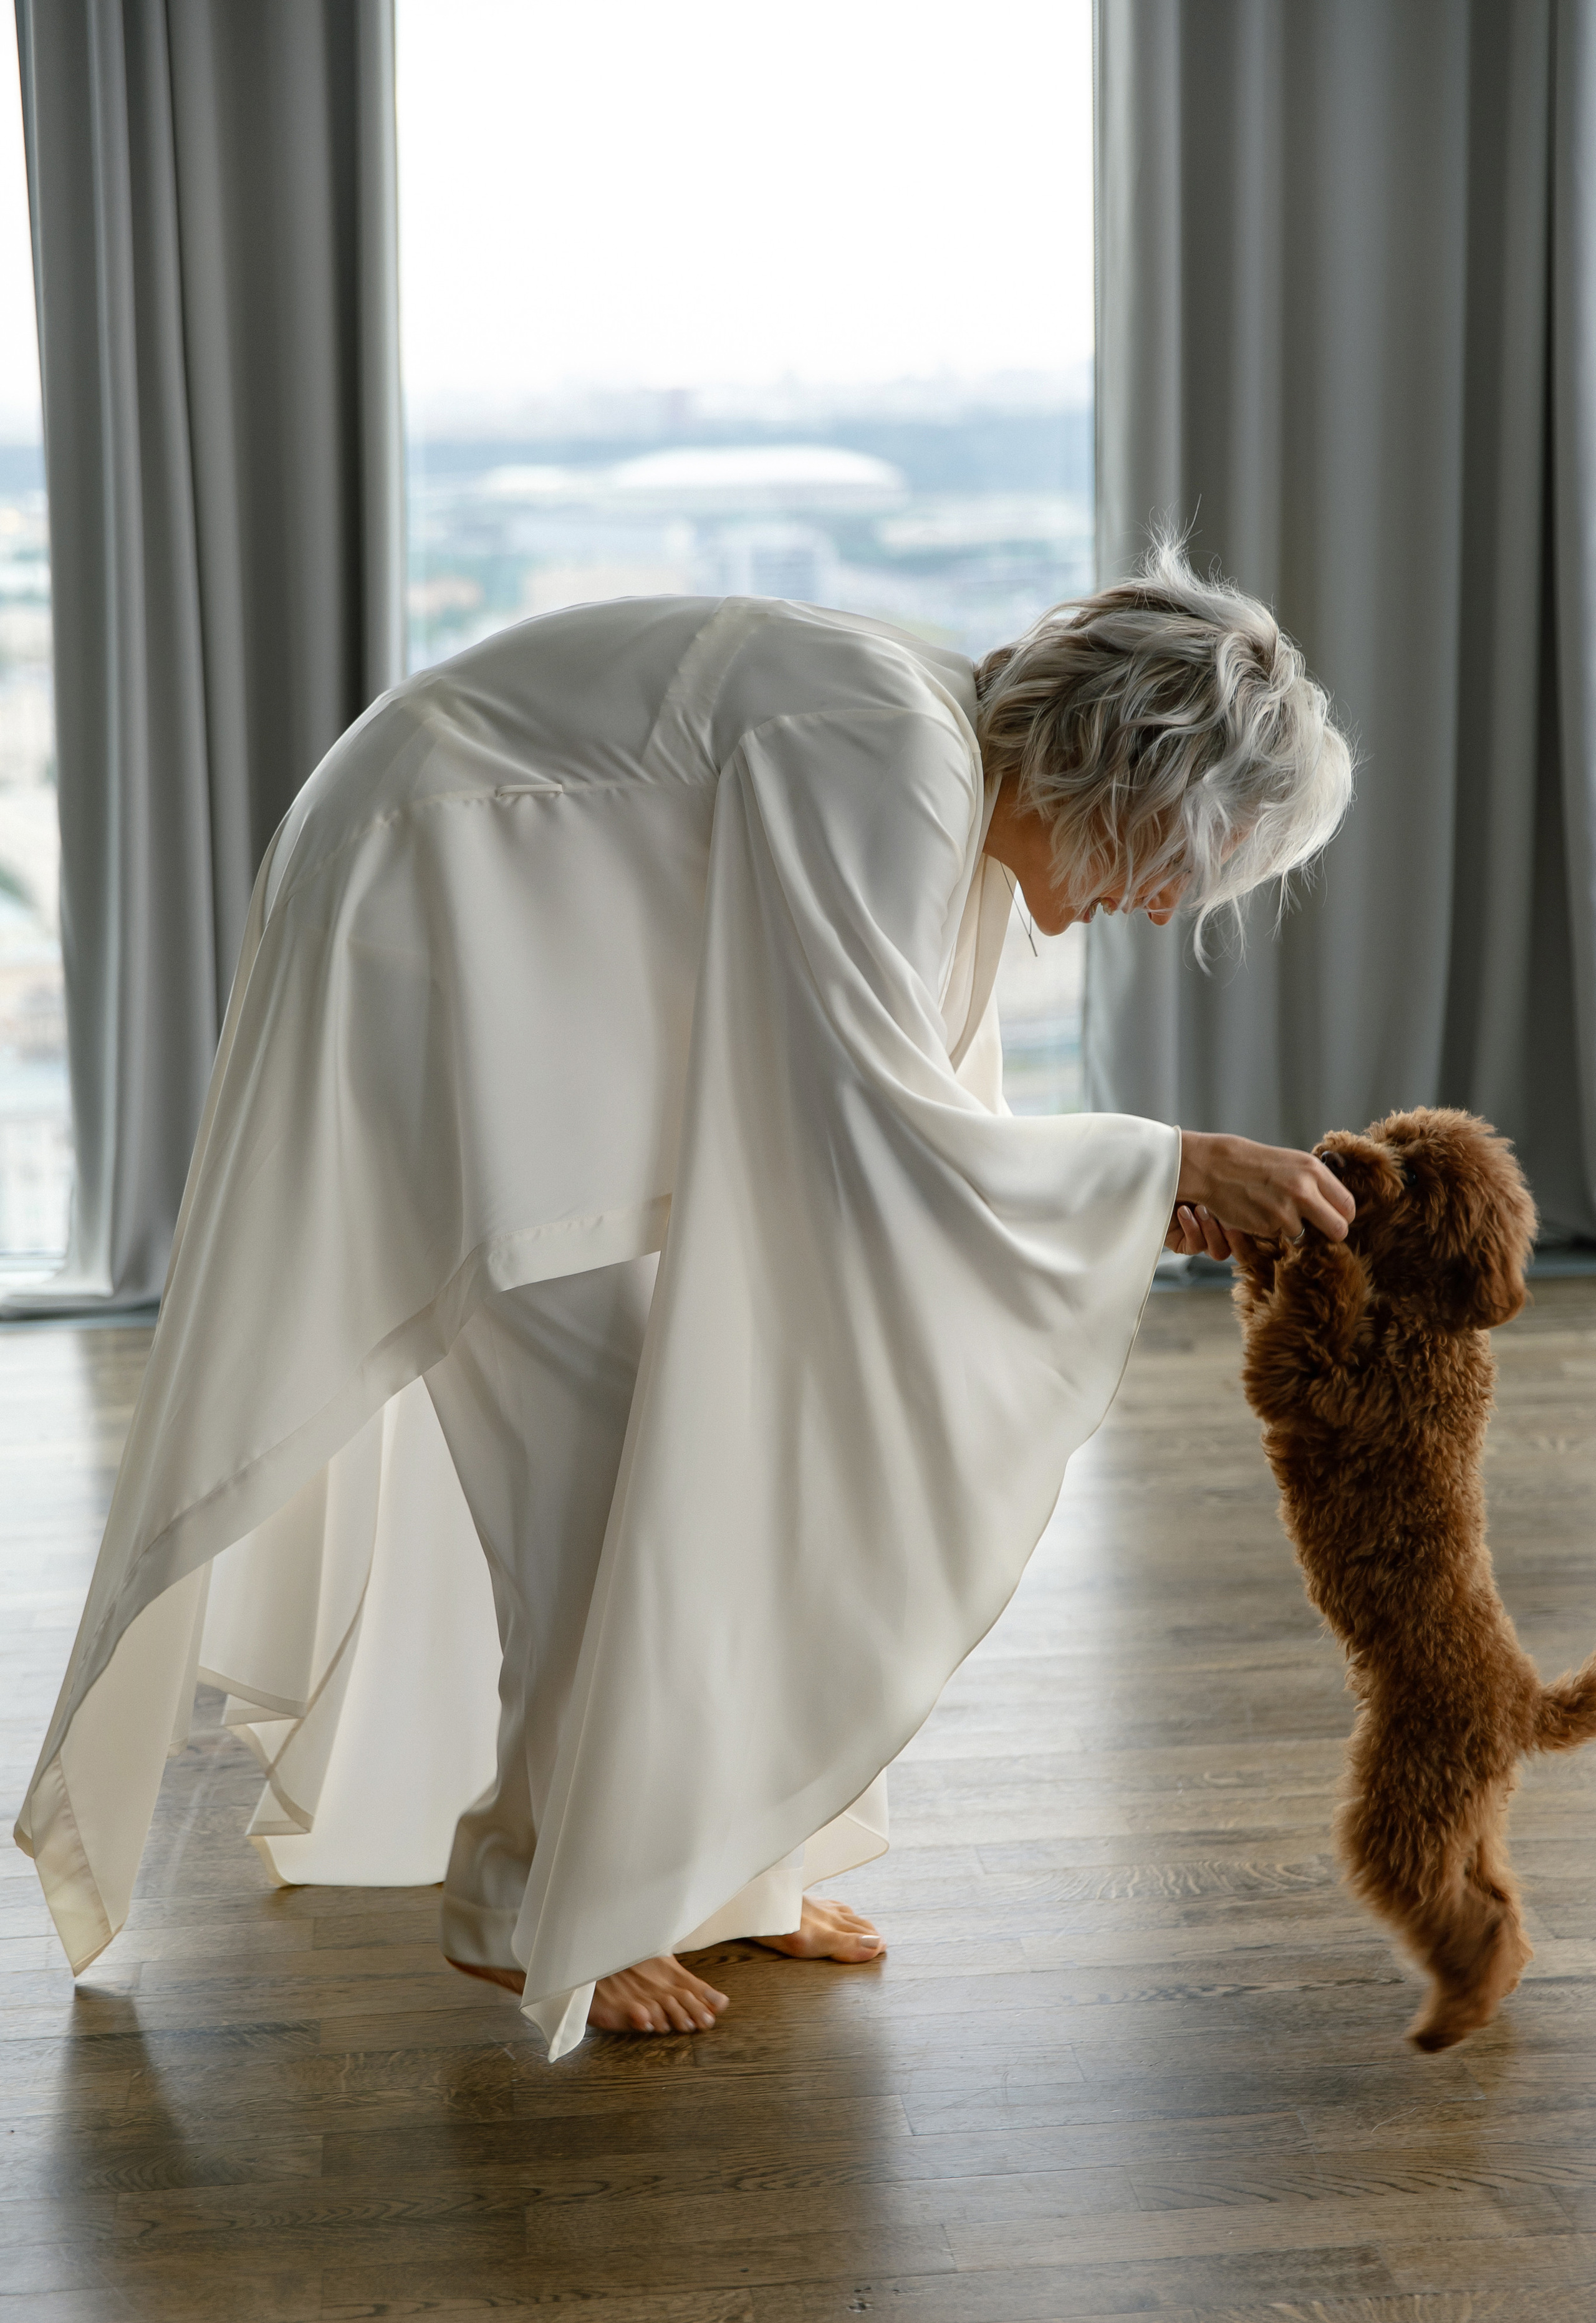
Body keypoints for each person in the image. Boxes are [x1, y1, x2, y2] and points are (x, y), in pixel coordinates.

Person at [16, 544, 1353, 2057]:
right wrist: (1163, 1166)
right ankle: (539, 1898)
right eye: (1181, 860)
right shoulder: (892, 756)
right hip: (433, 934)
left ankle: (701, 1867)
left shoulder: (937, 760)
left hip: (544, 961)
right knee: (610, 1434)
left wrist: (1128, 1198)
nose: (1163, 910)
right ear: (1127, 782)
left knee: (726, 1416)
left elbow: (872, 1136)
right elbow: (871, 1119)